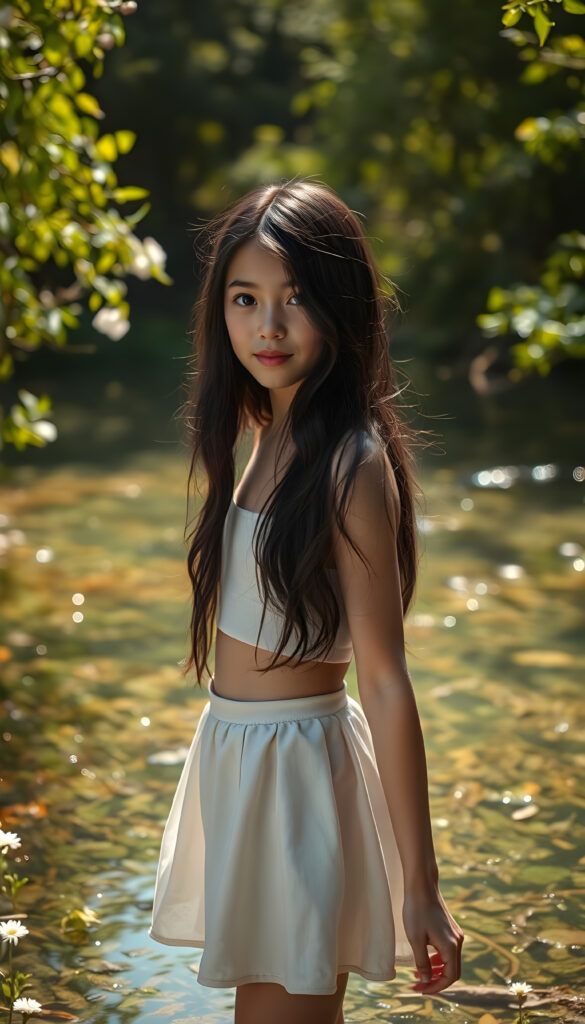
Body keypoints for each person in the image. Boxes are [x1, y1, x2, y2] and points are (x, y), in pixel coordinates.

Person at [148, 177, 464, 1024]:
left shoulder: (348, 463)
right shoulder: (264, 432)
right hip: (240, 757)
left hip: (295, 775)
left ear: (342, 304)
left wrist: (420, 887)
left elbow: (386, 682)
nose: (268, 327)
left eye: (294, 300)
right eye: (245, 300)